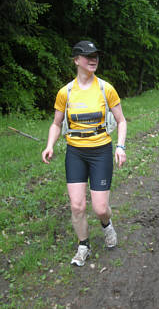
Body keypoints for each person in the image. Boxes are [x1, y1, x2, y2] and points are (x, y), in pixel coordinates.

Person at [42, 41, 127, 266]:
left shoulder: (105, 88)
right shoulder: (66, 92)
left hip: (101, 151)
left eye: (96, 55)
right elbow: (56, 123)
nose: (93, 59)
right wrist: (50, 144)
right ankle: (83, 245)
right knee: (77, 205)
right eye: (88, 55)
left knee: (100, 208)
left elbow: (121, 120)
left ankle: (106, 225)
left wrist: (120, 146)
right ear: (76, 60)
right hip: (76, 153)